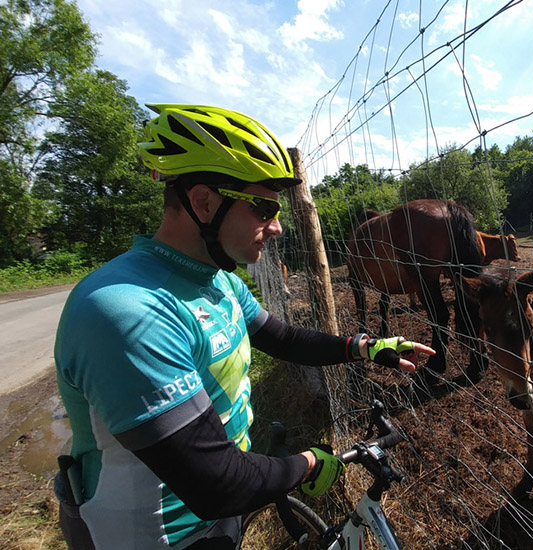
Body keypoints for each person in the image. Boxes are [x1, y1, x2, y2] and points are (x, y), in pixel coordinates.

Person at [53, 103, 435, 550]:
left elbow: (282, 337)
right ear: (203, 201)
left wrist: (363, 346)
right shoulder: (127, 311)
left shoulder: (217, 281)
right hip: (155, 536)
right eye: (262, 208)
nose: (275, 227)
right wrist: (309, 463)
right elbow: (219, 481)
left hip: (214, 518)